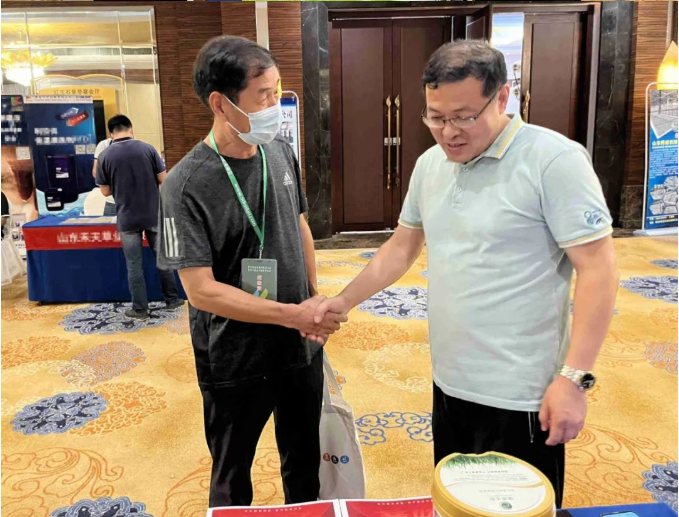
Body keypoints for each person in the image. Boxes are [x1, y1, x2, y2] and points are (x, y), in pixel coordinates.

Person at [312, 40, 619, 507]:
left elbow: (599, 269)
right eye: (435, 117)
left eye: (463, 117)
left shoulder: (554, 160)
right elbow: (402, 246)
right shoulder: (430, 164)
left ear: (502, 97)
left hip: (521, 392)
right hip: (450, 379)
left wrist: (575, 379)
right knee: (457, 503)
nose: (448, 132)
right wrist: (343, 301)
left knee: (517, 510)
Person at [156, 36, 346, 507]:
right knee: (232, 471)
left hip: (298, 345)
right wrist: (290, 314)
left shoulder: (278, 152)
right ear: (220, 104)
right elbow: (201, 291)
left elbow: (299, 225)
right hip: (234, 356)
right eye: (263, 96)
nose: (275, 106)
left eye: (277, 92)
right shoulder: (183, 186)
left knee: (304, 462)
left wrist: (313, 298)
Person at [96, 114, 183, 319]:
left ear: (111, 133)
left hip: (127, 218)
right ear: (131, 129)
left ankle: (140, 309)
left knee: (134, 264)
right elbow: (164, 179)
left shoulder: (105, 156)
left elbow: (105, 191)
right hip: (154, 214)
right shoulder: (148, 149)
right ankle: (172, 300)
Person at [92, 136, 116, 216]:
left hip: (133, 202)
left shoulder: (137, 148)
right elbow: (96, 172)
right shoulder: (104, 145)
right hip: (112, 202)